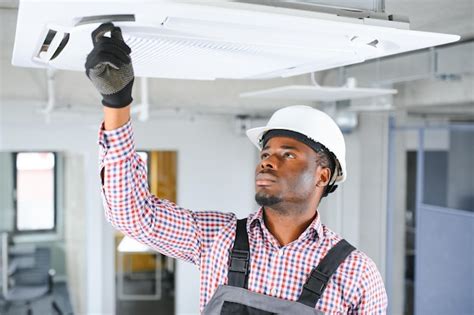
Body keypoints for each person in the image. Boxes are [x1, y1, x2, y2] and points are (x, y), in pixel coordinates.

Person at [86, 23, 387, 314]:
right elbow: (132, 214)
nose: (267, 161)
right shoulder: (219, 238)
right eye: (266, 153)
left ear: (323, 175)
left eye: (288, 154)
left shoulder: (355, 273)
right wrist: (117, 103)